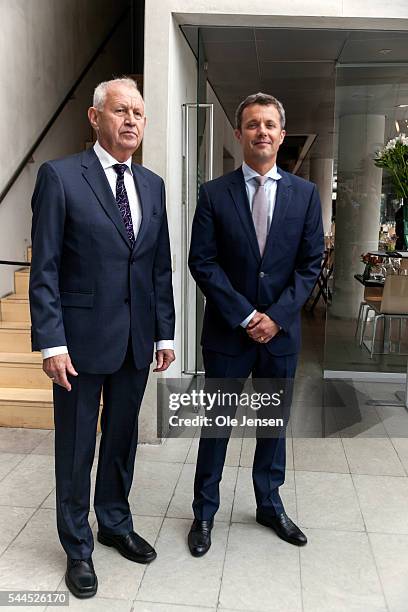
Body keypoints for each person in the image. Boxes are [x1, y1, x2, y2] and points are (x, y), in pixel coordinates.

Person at [29, 78, 175, 598]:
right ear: (96, 118)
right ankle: (77, 547)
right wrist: (51, 343)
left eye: (138, 111)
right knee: (75, 450)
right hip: (80, 343)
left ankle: (114, 521)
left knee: (121, 440)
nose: (132, 120)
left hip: (136, 342)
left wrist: (164, 332)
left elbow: (159, 265)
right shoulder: (62, 176)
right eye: (120, 111)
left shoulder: (153, 185)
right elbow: (43, 266)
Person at [187, 92, 323, 556]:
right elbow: (202, 262)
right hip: (229, 332)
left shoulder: (305, 195)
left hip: (280, 335)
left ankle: (269, 502)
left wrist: (277, 318)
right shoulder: (213, 193)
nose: (261, 131)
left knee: (272, 424)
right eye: (252, 124)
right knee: (217, 423)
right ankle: (204, 510)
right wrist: (246, 315)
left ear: (281, 135)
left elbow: (309, 266)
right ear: (240, 133)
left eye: (269, 124)